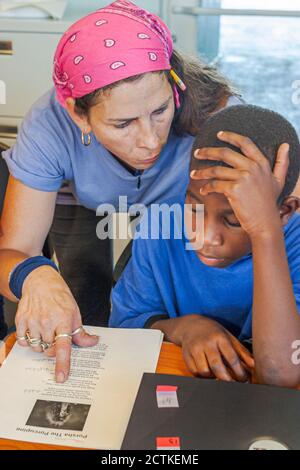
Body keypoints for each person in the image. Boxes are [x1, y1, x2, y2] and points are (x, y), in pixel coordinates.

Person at [0, 0, 256, 383]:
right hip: (82, 199)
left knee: (141, 302)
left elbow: (282, 207)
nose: (150, 141)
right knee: (79, 291)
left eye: (160, 111)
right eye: (122, 124)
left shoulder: (217, 117)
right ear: (77, 114)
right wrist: (35, 278)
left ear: (175, 85)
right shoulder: (49, 125)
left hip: (175, 206)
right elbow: (14, 249)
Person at [110, 104, 300, 388]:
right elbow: (122, 327)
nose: (206, 236)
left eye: (234, 221)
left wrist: (266, 233)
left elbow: (280, 376)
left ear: (284, 212)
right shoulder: (161, 225)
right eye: (195, 208)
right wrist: (183, 328)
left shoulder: (292, 244)